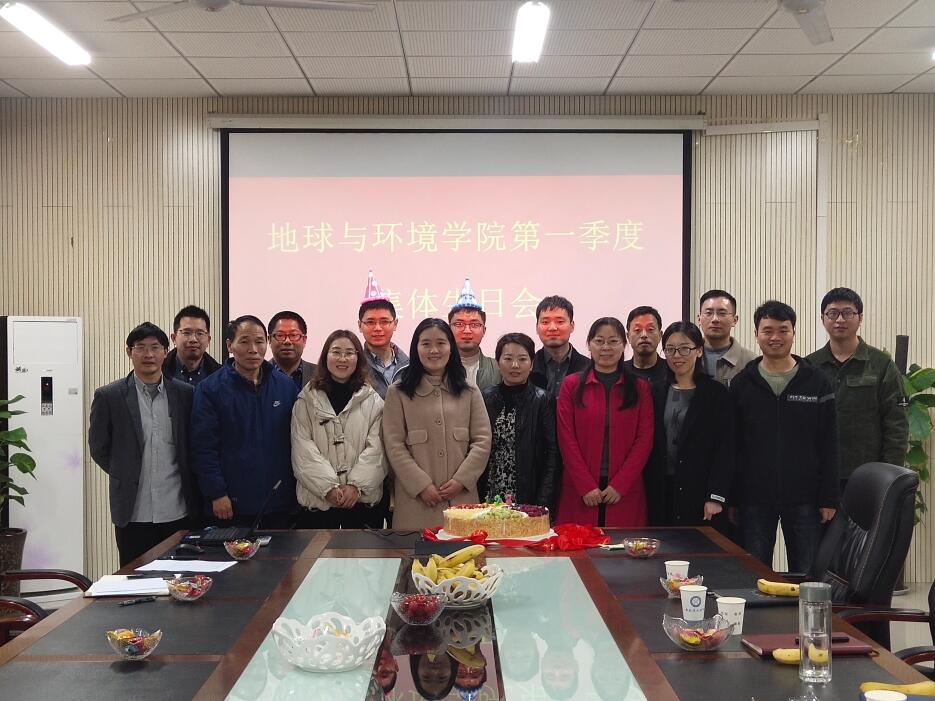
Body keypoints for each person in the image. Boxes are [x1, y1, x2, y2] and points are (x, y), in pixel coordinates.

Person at [730, 301, 839, 573]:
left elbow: (829, 443)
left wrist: (829, 498)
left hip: (805, 497)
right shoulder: (742, 383)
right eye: (767, 331)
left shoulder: (817, 381)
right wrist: (732, 498)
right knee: (754, 574)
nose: (775, 337)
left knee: (808, 575)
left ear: (794, 333)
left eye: (783, 330)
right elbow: (733, 446)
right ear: (756, 334)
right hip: (753, 497)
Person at [89, 322, 201, 566]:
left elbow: (191, 446)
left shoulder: (185, 394)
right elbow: (98, 448)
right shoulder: (109, 396)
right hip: (133, 512)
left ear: (166, 352)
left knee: (179, 577)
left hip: (177, 510)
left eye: (155, 347)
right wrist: (125, 471)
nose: (148, 354)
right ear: (129, 352)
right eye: (140, 347)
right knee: (135, 577)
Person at [382, 318, 492, 530]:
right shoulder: (398, 392)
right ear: (416, 349)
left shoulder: (469, 391)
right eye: (426, 344)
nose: (434, 350)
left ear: (451, 347)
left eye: (441, 343)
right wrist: (421, 485)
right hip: (415, 503)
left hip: (461, 500)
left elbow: (482, 441)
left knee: (466, 550)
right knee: (414, 551)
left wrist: (461, 480)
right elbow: (394, 445)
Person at [191, 315, 298, 528]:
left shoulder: (285, 386)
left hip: (279, 502)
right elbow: (203, 448)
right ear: (229, 345)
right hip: (231, 504)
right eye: (244, 341)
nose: (253, 349)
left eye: (259, 341)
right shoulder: (210, 389)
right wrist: (217, 493)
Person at [806, 287, 908, 490]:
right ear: (822, 318)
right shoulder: (810, 366)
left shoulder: (881, 364)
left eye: (847, 313)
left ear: (860, 318)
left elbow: (896, 425)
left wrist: (889, 475)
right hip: (820, 475)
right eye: (832, 313)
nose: (840, 319)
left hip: (869, 476)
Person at [555, 317, 654, 527]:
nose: (606, 348)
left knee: (624, 546)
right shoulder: (571, 385)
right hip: (580, 490)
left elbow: (644, 439)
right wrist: (584, 485)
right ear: (589, 344)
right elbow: (566, 438)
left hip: (625, 491)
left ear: (624, 344)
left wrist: (621, 484)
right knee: (578, 545)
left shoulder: (640, 388)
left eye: (613, 341)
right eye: (599, 341)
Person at [291, 330, 386, 529]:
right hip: (319, 504)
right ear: (325, 356)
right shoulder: (306, 400)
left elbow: (378, 450)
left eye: (349, 353)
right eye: (336, 352)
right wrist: (328, 488)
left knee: (365, 551)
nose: (342, 359)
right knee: (316, 551)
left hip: (362, 505)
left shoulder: (374, 401)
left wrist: (355, 486)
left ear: (358, 358)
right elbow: (303, 450)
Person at [659, 321, 735, 526]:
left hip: (701, 490)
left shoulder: (716, 394)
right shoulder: (657, 391)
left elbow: (725, 449)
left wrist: (716, 496)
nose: (677, 355)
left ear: (699, 351)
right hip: (663, 488)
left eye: (684, 348)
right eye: (670, 349)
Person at [479, 332, 558, 509]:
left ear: (531, 364)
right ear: (498, 362)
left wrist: (543, 501)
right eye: (508, 359)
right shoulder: (486, 397)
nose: (515, 365)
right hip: (491, 489)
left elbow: (552, 454)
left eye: (522, 359)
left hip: (528, 491)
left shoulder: (543, 399)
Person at [623, 305, 668, 525]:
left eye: (650, 329)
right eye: (637, 330)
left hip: (664, 466)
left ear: (661, 334)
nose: (644, 335)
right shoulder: (619, 373)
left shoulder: (673, 372)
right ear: (627, 336)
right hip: (626, 467)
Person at [358, 270, 409, 400]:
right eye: (370, 322)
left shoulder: (410, 366)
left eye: (384, 322)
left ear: (395, 324)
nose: (377, 328)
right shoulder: (355, 365)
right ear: (360, 325)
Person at [530, 295, 589, 402]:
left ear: (572, 326)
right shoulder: (528, 367)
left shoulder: (589, 367)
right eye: (545, 322)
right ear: (536, 327)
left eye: (560, 322)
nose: (552, 328)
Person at [697, 289, 757, 386]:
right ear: (699, 319)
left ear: (734, 320)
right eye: (708, 313)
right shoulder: (687, 357)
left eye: (722, 313)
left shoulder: (751, 362)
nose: (715, 319)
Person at [447, 278, 500, 389]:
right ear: (449, 330)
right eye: (459, 324)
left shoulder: (498, 368)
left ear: (484, 330)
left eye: (474, 324)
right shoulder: (438, 367)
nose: (467, 330)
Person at [163, 305, 221, 387]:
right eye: (187, 333)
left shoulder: (220, 375)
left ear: (208, 340)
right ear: (174, 338)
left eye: (200, 333)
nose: (193, 339)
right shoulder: (159, 370)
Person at [268, 310, 317, 392]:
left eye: (293, 335)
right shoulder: (257, 374)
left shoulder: (320, 375)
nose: (287, 341)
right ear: (269, 340)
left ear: (304, 340)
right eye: (280, 335)